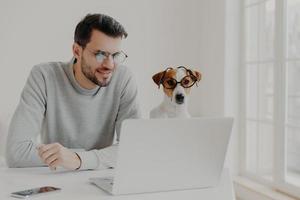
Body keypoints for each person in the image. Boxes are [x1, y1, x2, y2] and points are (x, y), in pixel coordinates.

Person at [5, 13, 141, 171]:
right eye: (100, 54)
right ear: (77, 51)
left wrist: (78, 160)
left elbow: (134, 149)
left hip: (100, 179)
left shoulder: (123, 78)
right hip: (57, 179)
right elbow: (16, 153)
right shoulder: (44, 76)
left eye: (115, 55)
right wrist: (98, 158)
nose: (109, 65)